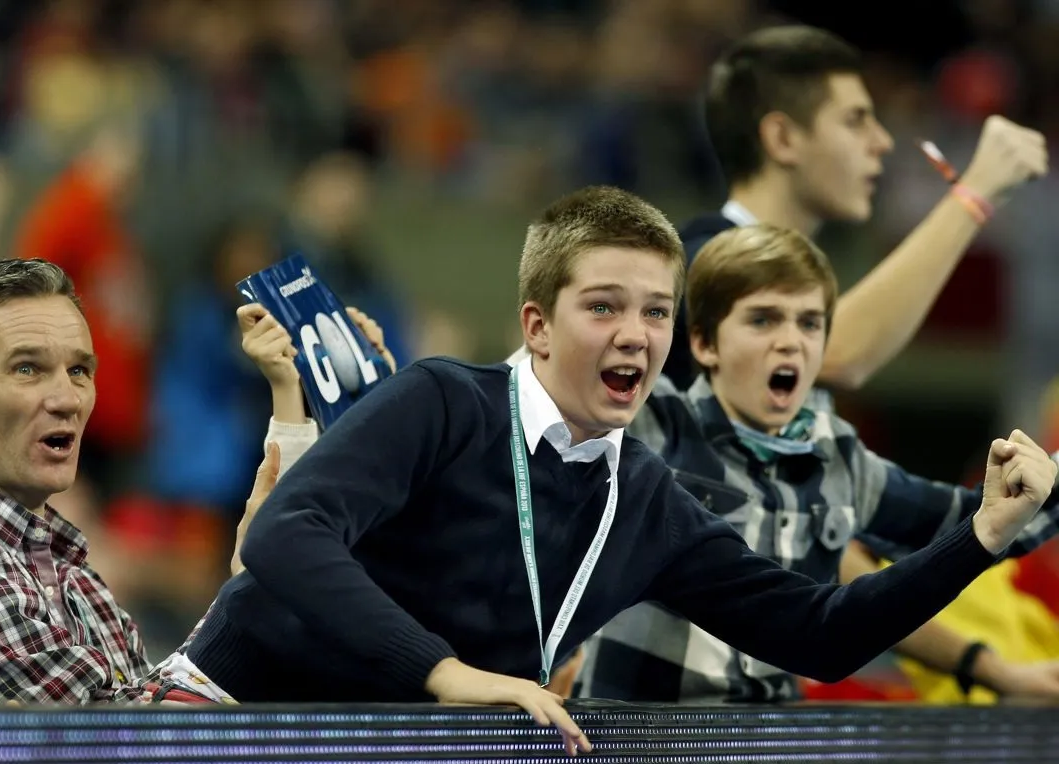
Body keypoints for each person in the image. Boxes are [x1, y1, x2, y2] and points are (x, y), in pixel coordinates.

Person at [142, 186, 1054, 757]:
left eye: (655, 311)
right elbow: (281, 537)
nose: (636, 333)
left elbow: (817, 632)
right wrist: (447, 673)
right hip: (227, 718)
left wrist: (980, 537)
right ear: (537, 324)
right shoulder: (443, 401)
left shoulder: (644, 498)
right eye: (604, 306)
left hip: (402, 746)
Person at [575, 224, 1059, 704]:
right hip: (636, 738)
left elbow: (979, 520)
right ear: (704, 343)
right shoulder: (645, 426)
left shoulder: (841, 458)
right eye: (763, 319)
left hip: (773, 740)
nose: (791, 342)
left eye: (808, 322)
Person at [0, 257, 276, 704]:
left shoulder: (72, 575)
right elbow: (126, 742)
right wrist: (247, 584)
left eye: (78, 371)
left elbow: (142, 701)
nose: (66, 399)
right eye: (27, 369)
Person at [664, 25, 1047, 392]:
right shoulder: (699, 259)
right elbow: (835, 354)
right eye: (855, 120)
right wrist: (974, 194)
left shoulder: (805, 277)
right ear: (782, 138)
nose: (882, 142)